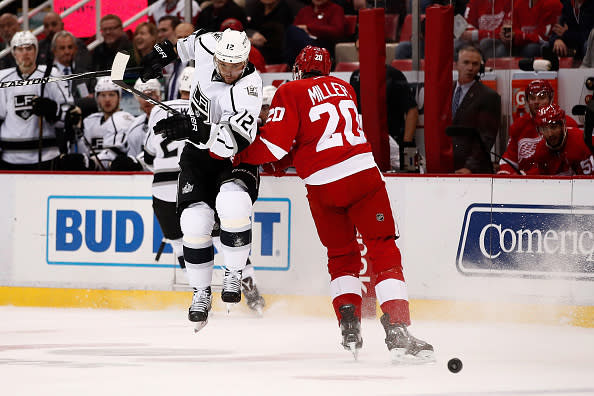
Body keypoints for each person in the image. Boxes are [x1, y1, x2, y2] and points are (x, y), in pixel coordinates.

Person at [235, 45, 434, 363]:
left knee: (341, 257)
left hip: (322, 186)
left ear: (298, 68)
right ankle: (398, 328)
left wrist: (238, 155)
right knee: (383, 251)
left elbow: (275, 144)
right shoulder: (343, 88)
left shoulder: (289, 89)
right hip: (363, 176)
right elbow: (317, 135)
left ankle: (350, 324)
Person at [141, 28, 263, 331]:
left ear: (245, 59)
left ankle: (234, 271)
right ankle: (201, 292)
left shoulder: (250, 87)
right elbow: (183, 47)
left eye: (237, 65)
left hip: (234, 155)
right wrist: (159, 57)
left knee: (231, 203)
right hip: (197, 155)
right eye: (225, 64)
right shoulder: (211, 42)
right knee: (194, 223)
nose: (231, 71)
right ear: (217, 54)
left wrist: (195, 128)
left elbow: (231, 142)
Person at [0, 31, 76, 170]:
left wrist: (53, 111)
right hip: (9, 158)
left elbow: (72, 116)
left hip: (45, 156)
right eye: (20, 49)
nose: (25, 53)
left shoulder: (51, 74)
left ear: (36, 50)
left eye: (29, 48)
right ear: (13, 52)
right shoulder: (3, 78)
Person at [350, 38, 418, 170]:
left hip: (393, 140)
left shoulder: (394, 75)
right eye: (358, 49)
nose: (361, 53)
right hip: (365, 144)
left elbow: (412, 111)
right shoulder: (355, 76)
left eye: (364, 49)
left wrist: (406, 145)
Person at [498, 80, 578, 175]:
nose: (536, 102)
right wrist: (506, 173)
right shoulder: (519, 125)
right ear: (527, 101)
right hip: (523, 183)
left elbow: (562, 163)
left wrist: (527, 175)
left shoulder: (567, 123)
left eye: (542, 97)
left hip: (557, 183)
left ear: (551, 98)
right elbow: (509, 158)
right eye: (532, 98)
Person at [450, 45, 501, 174]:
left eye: (475, 64)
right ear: (457, 64)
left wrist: (470, 167)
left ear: (480, 67)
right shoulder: (446, 91)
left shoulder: (489, 96)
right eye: (466, 62)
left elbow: (486, 137)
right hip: (448, 164)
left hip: (474, 170)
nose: (470, 68)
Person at [77, 77, 136, 170]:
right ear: (97, 98)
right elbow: (82, 152)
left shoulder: (126, 120)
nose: (107, 99)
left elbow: (114, 154)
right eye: (103, 95)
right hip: (91, 175)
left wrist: (90, 163)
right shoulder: (89, 121)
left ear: (119, 97)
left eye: (111, 95)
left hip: (117, 175)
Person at [532, 103, 594, 175]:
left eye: (553, 127)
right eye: (544, 129)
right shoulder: (541, 152)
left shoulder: (583, 142)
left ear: (562, 125)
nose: (550, 134)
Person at [284, 0, 345, 65]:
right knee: (292, 31)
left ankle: (316, 57)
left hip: (324, 44)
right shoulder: (304, 11)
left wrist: (309, 28)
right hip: (302, 47)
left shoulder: (336, 9)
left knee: (293, 31)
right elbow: (294, 31)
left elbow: (337, 31)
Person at [51, 31, 94, 103]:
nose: (67, 51)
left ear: (75, 49)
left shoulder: (86, 74)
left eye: (70, 47)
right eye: (62, 48)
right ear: (54, 51)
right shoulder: (47, 74)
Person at [126, 78, 163, 159]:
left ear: (158, 97)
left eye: (150, 95)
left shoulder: (171, 121)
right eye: (142, 96)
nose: (146, 100)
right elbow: (132, 159)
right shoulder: (134, 128)